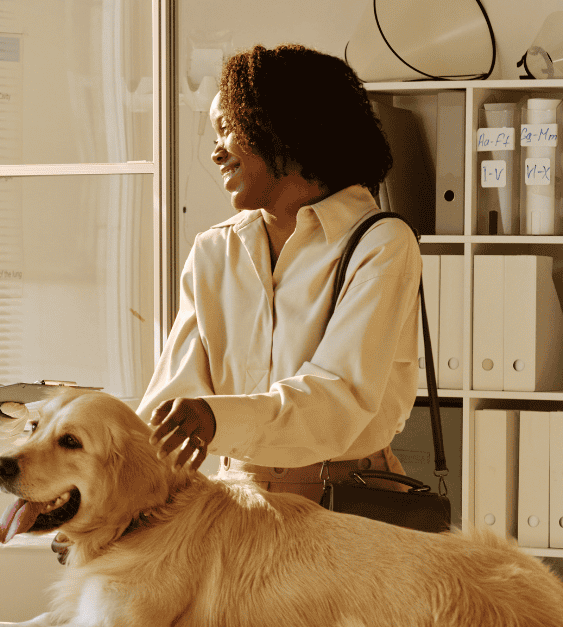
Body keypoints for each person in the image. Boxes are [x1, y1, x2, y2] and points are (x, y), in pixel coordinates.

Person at [139, 43, 422, 503]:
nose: (215, 153)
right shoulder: (214, 250)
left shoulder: (381, 243)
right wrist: (97, 495)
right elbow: (171, 407)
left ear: (282, 126)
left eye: (226, 129)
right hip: (235, 507)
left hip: (350, 507)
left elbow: (335, 401)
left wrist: (212, 420)